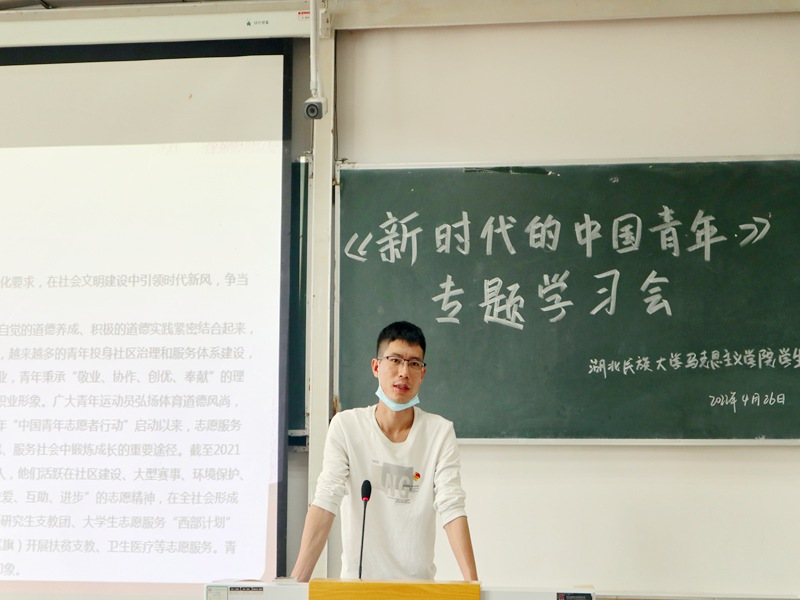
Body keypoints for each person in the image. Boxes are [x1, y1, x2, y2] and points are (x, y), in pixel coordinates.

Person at [291, 321, 478, 582]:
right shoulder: (347, 426)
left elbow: (451, 505)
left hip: (418, 591)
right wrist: (295, 586)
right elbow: (325, 501)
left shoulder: (439, 432)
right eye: (395, 360)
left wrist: (473, 585)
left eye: (414, 363)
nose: (404, 372)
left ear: (423, 374)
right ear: (376, 367)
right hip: (358, 590)